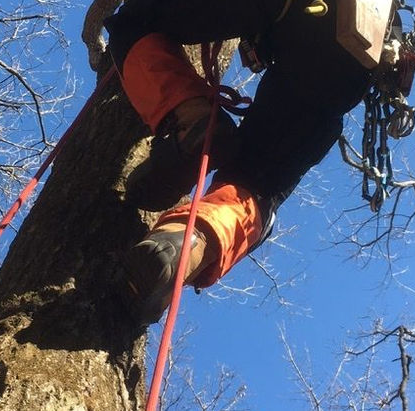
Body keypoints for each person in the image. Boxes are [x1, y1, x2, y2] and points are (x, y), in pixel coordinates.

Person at [105, 0, 375, 325]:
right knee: (254, 184)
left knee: (132, 26)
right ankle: (185, 246)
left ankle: (190, 119)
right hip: (350, 61)